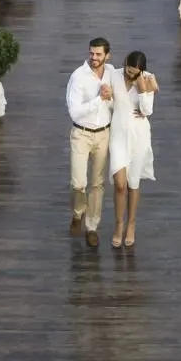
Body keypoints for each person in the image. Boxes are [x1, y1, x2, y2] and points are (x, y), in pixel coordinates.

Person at [65, 37, 115, 248]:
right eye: (91, 53)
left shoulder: (113, 73)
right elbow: (74, 111)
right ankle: (78, 212)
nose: (94, 58)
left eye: (98, 54)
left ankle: (92, 226)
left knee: (97, 184)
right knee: (79, 184)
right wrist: (99, 99)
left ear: (107, 55)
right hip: (81, 134)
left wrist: (110, 98)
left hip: (104, 133)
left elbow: (117, 101)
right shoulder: (78, 77)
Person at [108, 50, 157, 248]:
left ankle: (131, 224)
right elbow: (110, 102)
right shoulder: (115, 75)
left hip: (139, 137)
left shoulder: (147, 80)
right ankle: (118, 225)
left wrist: (143, 89)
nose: (130, 75)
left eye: (134, 72)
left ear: (141, 70)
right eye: (128, 70)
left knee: (133, 183)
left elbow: (147, 111)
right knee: (120, 183)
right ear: (125, 64)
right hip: (118, 135)